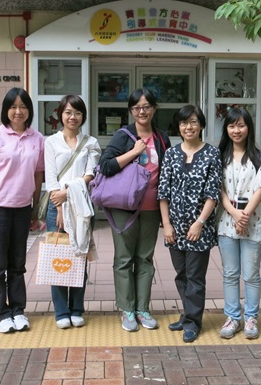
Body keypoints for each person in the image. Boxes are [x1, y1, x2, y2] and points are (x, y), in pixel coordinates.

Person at [98, 88, 171, 332]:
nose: (142, 111)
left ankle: (142, 309)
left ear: (154, 109)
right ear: (131, 111)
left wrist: (166, 215)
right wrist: (134, 152)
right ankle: (127, 309)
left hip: (151, 208)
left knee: (145, 259)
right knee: (124, 258)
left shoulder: (161, 138)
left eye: (146, 106)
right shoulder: (124, 136)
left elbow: (167, 176)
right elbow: (105, 166)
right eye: (137, 107)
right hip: (124, 208)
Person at [0, 87, 45, 334]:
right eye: (14, 106)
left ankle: (18, 310)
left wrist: (35, 209)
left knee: (18, 264)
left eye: (23, 106)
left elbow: (38, 175)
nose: (18, 111)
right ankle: (0, 312)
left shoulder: (37, 139)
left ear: (29, 110)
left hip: (22, 209)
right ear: (6, 110)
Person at [158, 104, 222, 343]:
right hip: (174, 227)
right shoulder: (171, 154)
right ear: (179, 126)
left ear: (202, 125)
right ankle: (187, 315)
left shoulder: (212, 153)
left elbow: (212, 193)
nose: (188, 127)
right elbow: (163, 192)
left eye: (193, 122)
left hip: (199, 229)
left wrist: (200, 222)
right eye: (184, 123)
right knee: (181, 274)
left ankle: (194, 322)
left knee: (195, 276)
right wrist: (166, 224)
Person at [44, 95, 101, 329]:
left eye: (77, 112)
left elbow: (90, 174)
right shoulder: (51, 142)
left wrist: (68, 193)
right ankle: (61, 311)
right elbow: (50, 178)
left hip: (81, 206)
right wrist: (59, 207)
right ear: (61, 115)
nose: (72, 117)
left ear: (83, 116)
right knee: (58, 259)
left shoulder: (91, 143)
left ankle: (77, 308)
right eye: (68, 112)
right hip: (55, 204)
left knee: (80, 257)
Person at [216, 107, 261, 340]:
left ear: (249, 127)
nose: (236, 130)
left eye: (241, 125)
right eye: (231, 126)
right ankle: (232, 318)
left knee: (251, 274)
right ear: (225, 129)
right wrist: (234, 214)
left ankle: (251, 318)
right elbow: (218, 189)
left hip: (253, 221)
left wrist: (244, 215)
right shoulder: (219, 155)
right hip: (227, 223)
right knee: (230, 273)